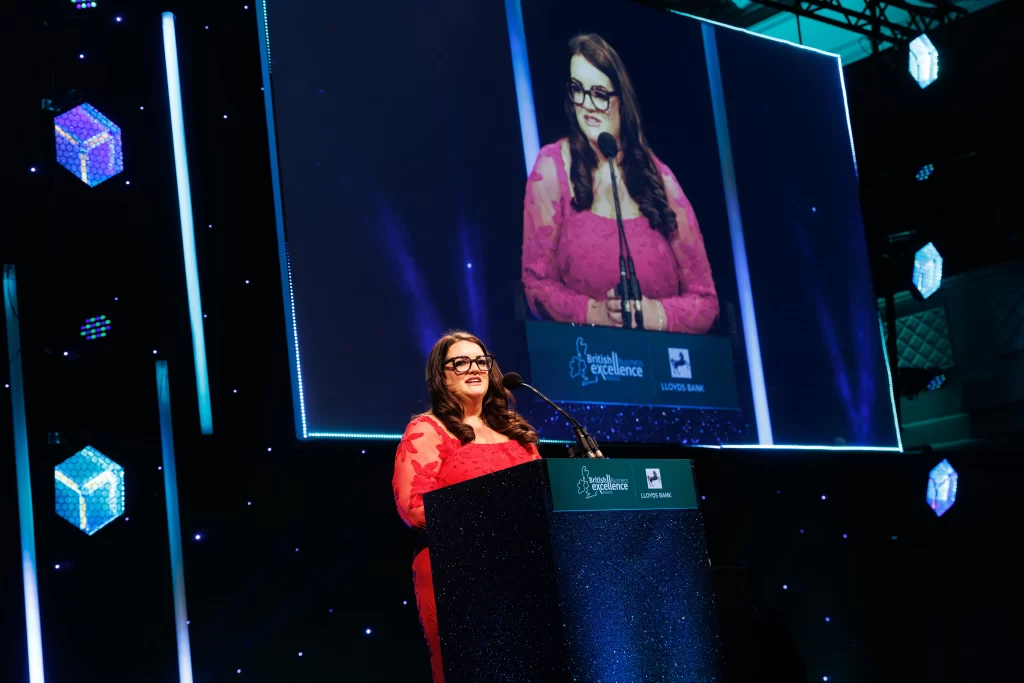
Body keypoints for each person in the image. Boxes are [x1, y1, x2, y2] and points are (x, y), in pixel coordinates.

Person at [522, 33, 719, 334]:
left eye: (599, 94)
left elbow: (706, 303)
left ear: (622, 101)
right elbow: (536, 285)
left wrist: (653, 314)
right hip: (587, 363)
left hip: (662, 368)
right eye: (578, 90)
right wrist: (595, 313)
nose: (586, 106)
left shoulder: (661, 179)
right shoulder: (552, 167)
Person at [392, 331, 541, 683]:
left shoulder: (518, 434)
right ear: (440, 375)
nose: (473, 368)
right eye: (459, 363)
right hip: (458, 571)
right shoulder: (428, 430)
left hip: (527, 569)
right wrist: (492, 518)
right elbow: (414, 507)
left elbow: (541, 495)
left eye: (480, 361)